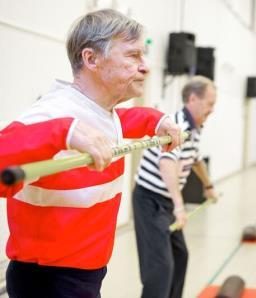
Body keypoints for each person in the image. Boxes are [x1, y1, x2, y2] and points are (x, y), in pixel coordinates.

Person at [3, 9, 182, 298]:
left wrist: (156, 119)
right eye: (133, 56)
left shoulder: (97, 112)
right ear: (92, 59)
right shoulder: (53, 113)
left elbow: (121, 122)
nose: (145, 67)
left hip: (86, 270)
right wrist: (62, 132)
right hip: (50, 279)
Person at [133, 76, 218, 298]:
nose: (212, 110)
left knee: (180, 257)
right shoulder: (177, 124)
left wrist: (208, 185)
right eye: (210, 104)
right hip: (150, 200)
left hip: (167, 201)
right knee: (160, 269)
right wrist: (180, 207)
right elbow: (166, 162)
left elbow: (195, 159)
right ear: (193, 99)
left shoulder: (194, 127)